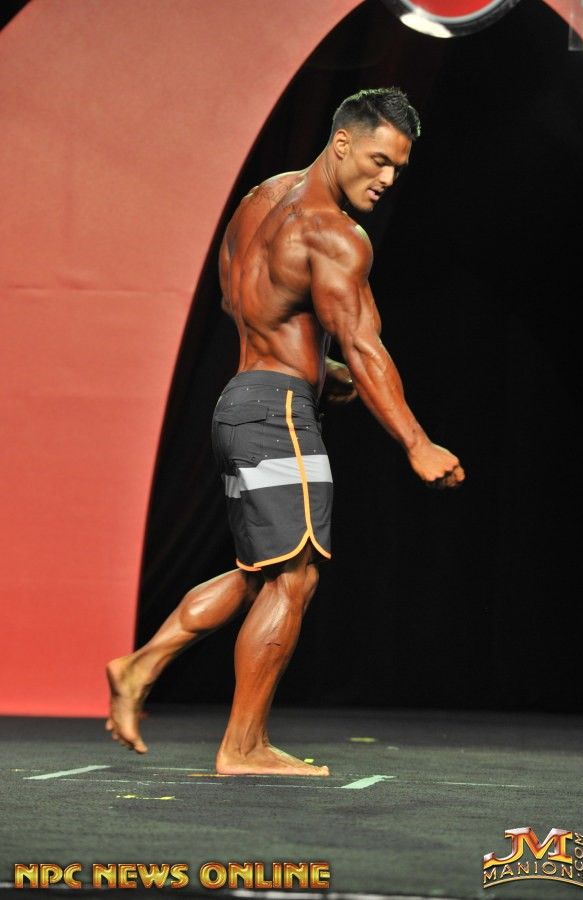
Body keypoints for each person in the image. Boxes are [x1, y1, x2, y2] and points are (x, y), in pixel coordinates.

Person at [106, 87, 465, 776]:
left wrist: (314, 368)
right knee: (295, 577)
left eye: (399, 168)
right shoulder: (335, 233)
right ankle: (242, 747)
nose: (388, 179)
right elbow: (362, 343)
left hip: (239, 403)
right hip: (278, 416)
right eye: (379, 160)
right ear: (342, 143)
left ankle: (139, 667)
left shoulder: (260, 199)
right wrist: (416, 442)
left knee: (262, 572)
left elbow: (240, 302)